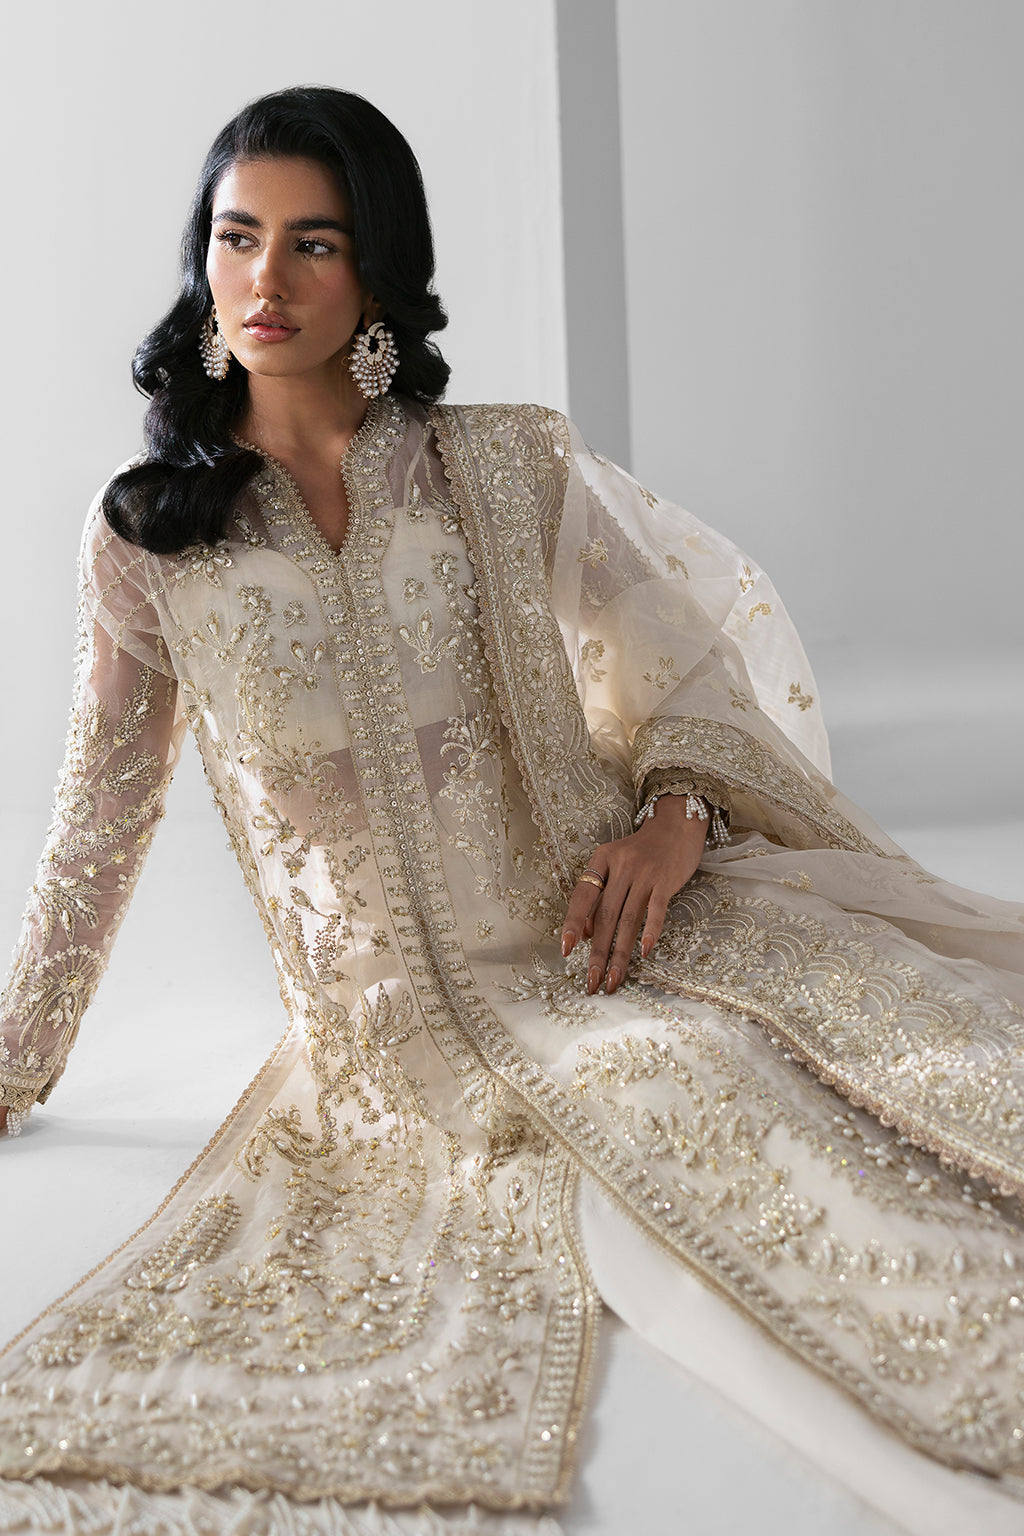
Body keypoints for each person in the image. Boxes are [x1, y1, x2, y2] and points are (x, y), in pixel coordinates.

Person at [1, 85, 1023, 1536]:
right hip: (389, 1041)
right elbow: (100, 813)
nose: (264, 280)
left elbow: (686, 664)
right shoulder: (152, 534)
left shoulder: (498, 463)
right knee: (703, 1143)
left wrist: (676, 819)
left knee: (917, 1080)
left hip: (615, 943)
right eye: (237, 237)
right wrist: (18, 1058)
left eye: (313, 244)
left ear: (377, 271)